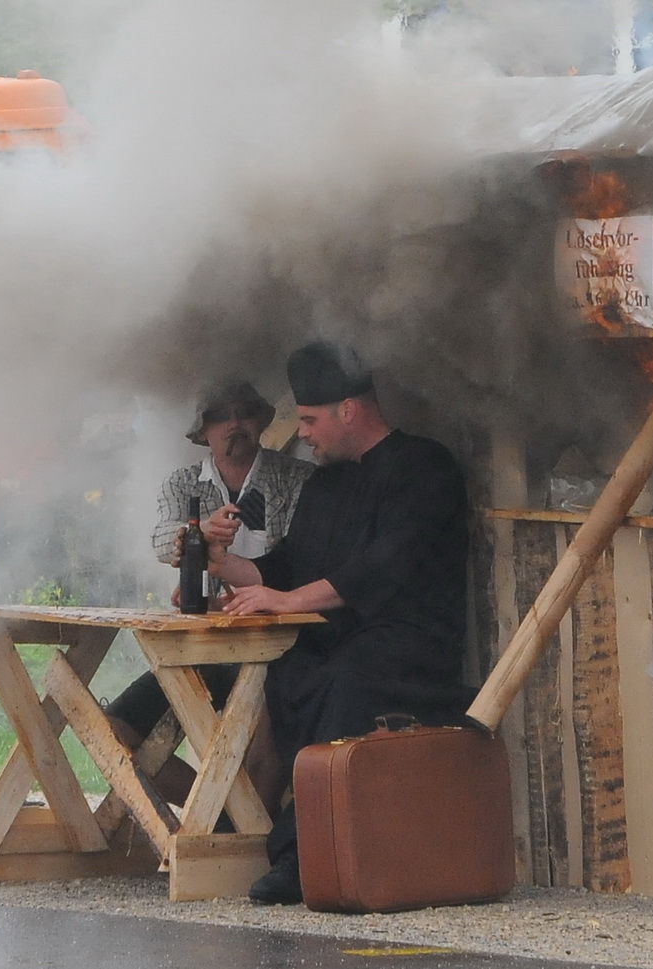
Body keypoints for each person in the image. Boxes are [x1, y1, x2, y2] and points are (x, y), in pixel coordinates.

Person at [210, 341, 472, 905]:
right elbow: (281, 567)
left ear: (348, 410)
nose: (302, 433)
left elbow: (384, 566)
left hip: (408, 645)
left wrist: (288, 600)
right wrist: (218, 559)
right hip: (335, 643)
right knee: (281, 673)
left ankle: (308, 859)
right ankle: (244, 838)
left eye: (309, 420)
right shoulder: (323, 484)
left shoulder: (425, 467)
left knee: (344, 680)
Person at [103, 378, 314, 808]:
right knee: (113, 730)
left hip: (282, 647)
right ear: (202, 432)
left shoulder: (299, 478)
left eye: (244, 413)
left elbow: (305, 558)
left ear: (260, 421)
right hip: (207, 646)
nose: (234, 424)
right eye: (220, 416)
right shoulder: (183, 484)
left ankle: (243, 840)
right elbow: (162, 538)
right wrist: (195, 534)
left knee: (265, 737)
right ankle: (223, 817)